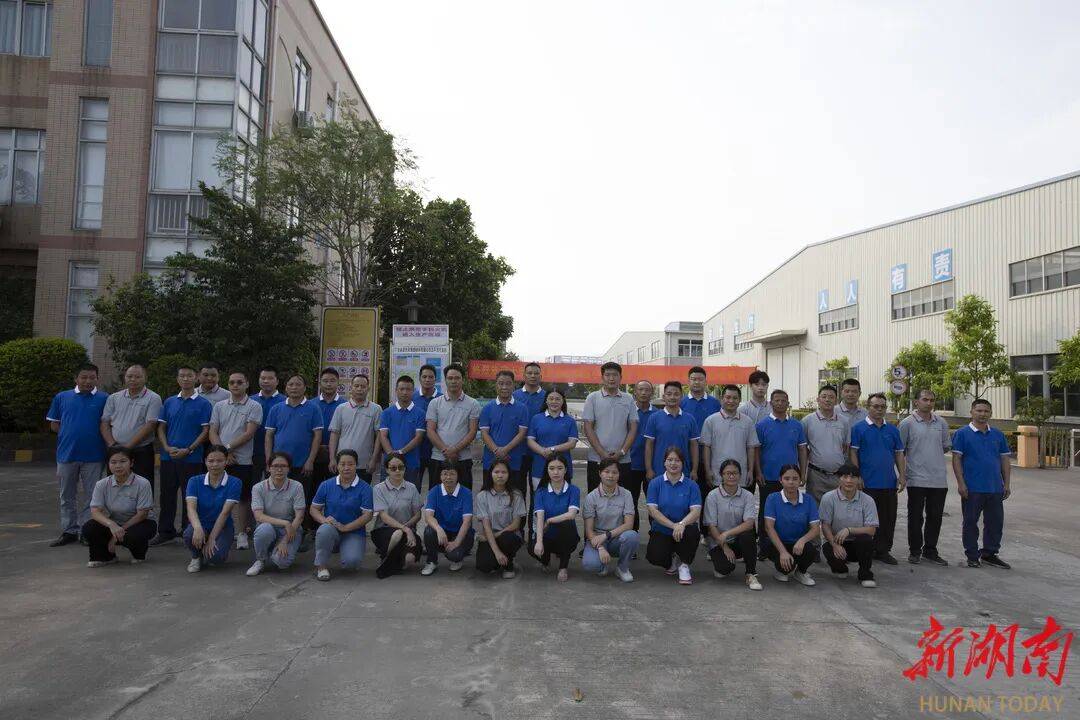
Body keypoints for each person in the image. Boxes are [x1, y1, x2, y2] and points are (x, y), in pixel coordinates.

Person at [46, 363, 107, 547]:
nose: (88, 381)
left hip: (94, 456)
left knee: (93, 496)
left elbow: (107, 424)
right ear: (76, 378)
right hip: (67, 455)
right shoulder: (62, 397)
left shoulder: (105, 398)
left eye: (92, 377)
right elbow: (54, 424)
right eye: (84, 377)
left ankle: (87, 531)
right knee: (66, 495)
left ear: (97, 378)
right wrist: (69, 434)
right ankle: (69, 530)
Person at [951, 399, 1012, 569]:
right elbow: (956, 459)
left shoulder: (997, 435)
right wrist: (961, 483)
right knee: (970, 522)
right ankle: (972, 555)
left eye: (986, 411)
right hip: (972, 488)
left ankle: (989, 554)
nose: (982, 414)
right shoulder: (962, 434)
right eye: (979, 410)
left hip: (994, 487)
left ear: (991, 413)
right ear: (971, 412)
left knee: (995, 523)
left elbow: (1004, 460)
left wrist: (1006, 483)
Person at [264, 374, 323, 551]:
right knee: (277, 500)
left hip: (302, 464)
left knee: (302, 499)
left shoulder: (313, 408)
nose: (294, 387)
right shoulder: (276, 408)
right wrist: (269, 460)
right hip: (279, 466)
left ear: (305, 387)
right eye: (290, 384)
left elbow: (317, 436)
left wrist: (310, 460)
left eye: (298, 384)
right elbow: (269, 435)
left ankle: (301, 532)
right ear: (285, 387)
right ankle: (276, 532)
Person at [154, 366, 212, 547]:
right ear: (177, 379)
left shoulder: (204, 404)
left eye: (189, 376)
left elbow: (205, 431)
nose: (186, 379)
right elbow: (161, 427)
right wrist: (166, 447)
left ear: (196, 378)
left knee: (190, 496)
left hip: (192, 458)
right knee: (167, 495)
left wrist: (189, 449)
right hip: (168, 457)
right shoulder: (169, 402)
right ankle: (165, 531)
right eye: (182, 376)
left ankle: (189, 531)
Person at [207, 372, 263, 551]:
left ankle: (242, 533)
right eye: (232, 382)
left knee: (242, 498)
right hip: (220, 461)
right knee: (217, 495)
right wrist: (222, 454)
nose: (235, 385)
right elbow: (213, 431)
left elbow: (249, 433)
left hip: (242, 460)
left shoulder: (254, 406)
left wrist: (227, 449)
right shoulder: (219, 406)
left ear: (247, 384)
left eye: (239, 382)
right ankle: (219, 532)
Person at [849, 392, 906, 565]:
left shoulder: (893, 430)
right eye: (875, 406)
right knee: (866, 519)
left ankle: (883, 551)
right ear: (868, 407)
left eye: (882, 407)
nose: (879, 409)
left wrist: (902, 475)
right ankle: (865, 550)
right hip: (867, 483)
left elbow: (899, 454)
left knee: (888, 518)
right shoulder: (858, 428)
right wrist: (857, 476)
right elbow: (853, 453)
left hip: (888, 482)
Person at [899, 389, 952, 566]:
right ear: (916, 402)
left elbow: (945, 446)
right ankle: (915, 551)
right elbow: (900, 451)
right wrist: (902, 475)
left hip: (938, 479)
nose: (928, 403)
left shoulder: (941, 422)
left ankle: (930, 550)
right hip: (916, 478)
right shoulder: (907, 423)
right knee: (915, 517)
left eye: (931, 400)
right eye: (925, 399)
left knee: (935, 517)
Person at [753, 389, 807, 556]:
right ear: (771, 403)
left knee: (789, 511)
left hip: (791, 478)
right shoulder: (761, 425)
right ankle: (764, 546)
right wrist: (758, 472)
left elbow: (802, 450)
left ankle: (787, 545)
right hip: (768, 476)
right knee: (766, 512)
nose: (780, 403)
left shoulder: (797, 425)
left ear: (788, 403)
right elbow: (756, 451)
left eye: (783, 400)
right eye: (777, 400)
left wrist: (803, 472)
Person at [82, 446, 157, 567]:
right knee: (89, 528)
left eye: (123, 461)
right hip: (115, 522)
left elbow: (142, 515)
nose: (118, 466)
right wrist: (112, 525)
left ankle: (139, 554)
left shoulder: (143, 483)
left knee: (134, 536)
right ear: (108, 464)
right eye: (113, 462)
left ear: (131, 463)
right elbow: (95, 512)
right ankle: (104, 557)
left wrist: (115, 536)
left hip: (140, 522)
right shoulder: (101, 484)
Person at [310, 449, 374, 581]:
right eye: (342, 464)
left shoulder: (366, 488)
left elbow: (367, 516)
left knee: (352, 564)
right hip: (331, 528)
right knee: (324, 530)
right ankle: (321, 566)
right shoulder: (326, 485)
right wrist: (323, 520)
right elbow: (314, 509)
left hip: (354, 531)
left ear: (356, 465)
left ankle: (343, 548)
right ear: (337, 465)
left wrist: (345, 528)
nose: (346, 468)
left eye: (350, 464)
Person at [100, 364, 162, 492]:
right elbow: (105, 423)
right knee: (114, 487)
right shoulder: (114, 397)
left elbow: (150, 425)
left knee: (143, 486)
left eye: (138, 377)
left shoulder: (153, 398)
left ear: (145, 378)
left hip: (141, 451)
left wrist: (127, 447)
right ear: (125, 377)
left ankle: (144, 506)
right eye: (130, 376)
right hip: (115, 449)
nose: (133, 379)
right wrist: (113, 445)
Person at [645, 446, 702, 585]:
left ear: (683, 463)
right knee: (654, 556)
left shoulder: (692, 485)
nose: (673, 463)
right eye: (670, 460)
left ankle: (684, 564)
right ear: (664, 462)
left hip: (685, 529)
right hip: (662, 529)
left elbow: (696, 511)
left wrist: (681, 524)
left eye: (677, 460)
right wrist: (673, 526)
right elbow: (653, 510)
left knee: (693, 532)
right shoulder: (655, 483)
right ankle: (671, 562)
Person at [703, 459, 762, 591]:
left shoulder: (747, 495)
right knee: (723, 570)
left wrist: (727, 534)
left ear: (740, 475)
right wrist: (724, 546)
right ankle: (722, 559)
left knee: (748, 536)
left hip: (737, 539)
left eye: (735, 473)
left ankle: (751, 573)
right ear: (721, 475)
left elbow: (749, 524)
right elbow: (711, 526)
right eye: (728, 473)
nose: (731, 476)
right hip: (718, 541)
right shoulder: (712, 496)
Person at [819, 463, 879, 588]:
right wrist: (834, 545)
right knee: (828, 549)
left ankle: (865, 574)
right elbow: (825, 525)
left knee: (866, 540)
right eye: (845, 477)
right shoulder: (828, 498)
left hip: (858, 544)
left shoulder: (867, 500)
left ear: (859, 479)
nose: (849, 481)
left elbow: (872, 530)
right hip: (837, 542)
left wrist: (849, 530)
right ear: (839, 478)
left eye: (853, 477)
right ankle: (840, 568)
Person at [183, 445, 241, 573]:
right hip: (201, 524)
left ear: (226, 461)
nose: (215, 464)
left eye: (219, 461)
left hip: (223, 527)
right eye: (211, 461)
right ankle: (196, 556)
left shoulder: (235, 482)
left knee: (216, 558)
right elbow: (191, 509)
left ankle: (210, 548)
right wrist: (197, 528)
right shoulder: (194, 481)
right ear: (205, 461)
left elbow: (225, 513)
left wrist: (212, 539)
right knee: (189, 534)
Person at [246, 450, 306, 575]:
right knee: (264, 530)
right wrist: (284, 523)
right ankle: (260, 560)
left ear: (289, 469)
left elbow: (299, 516)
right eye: (275, 466)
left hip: (291, 529)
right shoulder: (258, 488)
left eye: (283, 466)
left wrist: (284, 541)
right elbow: (258, 516)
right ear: (269, 468)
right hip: (269, 526)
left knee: (282, 562)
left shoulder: (297, 486)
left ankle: (276, 552)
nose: (279, 470)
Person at [582, 362, 637, 493]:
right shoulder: (592, 398)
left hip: (622, 460)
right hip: (597, 459)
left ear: (620, 377)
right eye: (607, 375)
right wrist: (602, 453)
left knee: (622, 497)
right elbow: (588, 427)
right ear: (602, 377)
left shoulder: (628, 398)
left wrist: (622, 452)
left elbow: (633, 428)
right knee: (596, 497)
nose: (611, 378)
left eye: (615, 375)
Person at [582, 457, 638, 582]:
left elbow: (629, 524)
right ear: (600, 473)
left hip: (618, 537)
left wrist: (606, 535)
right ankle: (603, 564)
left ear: (619, 474)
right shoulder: (591, 497)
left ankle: (622, 568)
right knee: (590, 565)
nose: (610, 476)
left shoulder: (626, 494)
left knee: (632, 536)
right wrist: (600, 547)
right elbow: (589, 530)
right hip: (597, 538)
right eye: (606, 472)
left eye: (614, 472)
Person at [763, 464, 820, 586]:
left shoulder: (808, 500)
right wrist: (783, 552)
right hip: (778, 543)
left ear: (800, 480)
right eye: (787, 478)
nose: (791, 482)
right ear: (780, 480)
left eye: (795, 478)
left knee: (811, 550)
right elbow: (769, 527)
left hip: (798, 544)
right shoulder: (772, 498)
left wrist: (802, 540)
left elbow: (815, 529)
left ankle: (801, 572)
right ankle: (781, 570)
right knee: (785, 570)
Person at [426, 363, 481, 490]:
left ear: (463, 380)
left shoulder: (473, 404)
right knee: (437, 495)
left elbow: (472, 431)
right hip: (439, 457)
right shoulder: (435, 403)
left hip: (463, 458)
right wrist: (445, 450)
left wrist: (455, 449)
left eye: (457, 378)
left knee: (463, 494)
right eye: (450, 378)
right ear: (445, 380)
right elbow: (430, 430)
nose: (453, 381)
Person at [370, 452, 424, 578]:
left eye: (401, 467)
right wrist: (405, 529)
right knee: (397, 534)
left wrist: (407, 528)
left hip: (408, 531)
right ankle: (386, 557)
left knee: (409, 559)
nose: (398, 471)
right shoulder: (378, 489)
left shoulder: (412, 487)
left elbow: (418, 514)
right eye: (393, 468)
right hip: (384, 531)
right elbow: (384, 516)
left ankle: (392, 560)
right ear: (387, 470)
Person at [479, 370, 530, 496]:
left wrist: (505, 450)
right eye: (501, 383)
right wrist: (497, 451)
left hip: (514, 461)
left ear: (513, 385)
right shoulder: (487, 408)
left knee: (515, 496)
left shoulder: (522, 408)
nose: (504, 387)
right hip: (491, 461)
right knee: (490, 496)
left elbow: (522, 433)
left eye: (508, 383)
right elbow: (484, 433)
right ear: (496, 385)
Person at [474, 459, 528, 579]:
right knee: (484, 566)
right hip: (490, 535)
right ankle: (499, 560)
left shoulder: (516, 495)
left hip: (509, 535)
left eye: (504, 472)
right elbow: (486, 526)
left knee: (507, 538)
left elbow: (515, 525)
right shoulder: (482, 496)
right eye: (496, 472)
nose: (500, 475)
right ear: (490, 474)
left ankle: (509, 565)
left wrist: (496, 535)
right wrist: (497, 552)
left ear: (509, 475)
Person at [529, 455, 580, 581]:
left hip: (566, 536)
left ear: (566, 470)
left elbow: (571, 514)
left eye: (560, 468)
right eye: (551, 468)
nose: (556, 472)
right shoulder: (540, 491)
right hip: (547, 535)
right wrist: (539, 542)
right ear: (547, 470)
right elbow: (540, 518)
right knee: (532, 548)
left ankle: (563, 567)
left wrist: (550, 520)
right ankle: (547, 559)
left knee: (567, 523)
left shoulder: (574, 490)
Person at [700, 384, 759, 492]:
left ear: (739, 400)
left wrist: (750, 471)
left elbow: (751, 448)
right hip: (717, 475)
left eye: (735, 398)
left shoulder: (748, 422)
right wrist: (708, 470)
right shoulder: (711, 421)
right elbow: (706, 447)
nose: (731, 401)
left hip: (741, 476)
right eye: (728, 397)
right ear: (721, 399)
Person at [421, 462, 475, 576]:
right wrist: (438, 529)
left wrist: (457, 542)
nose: (448, 477)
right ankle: (431, 561)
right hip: (442, 533)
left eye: (452, 474)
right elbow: (428, 516)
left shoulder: (466, 493)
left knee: (455, 555)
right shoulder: (434, 491)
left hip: (460, 533)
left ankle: (457, 558)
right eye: (445, 474)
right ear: (440, 476)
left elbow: (467, 521)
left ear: (458, 475)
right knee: (429, 531)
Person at [328, 374, 383, 483]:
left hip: (364, 464)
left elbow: (379, 436)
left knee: (362, 492)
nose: (359, 389)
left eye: (363, 386)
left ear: (368, 388)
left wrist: (374, 459)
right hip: (343, 463)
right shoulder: (341, 408)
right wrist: (332, 458)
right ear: (351, 387)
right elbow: (334, 434)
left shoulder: (376, 409)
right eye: (356, 386)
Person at [643, 381, 699, 483]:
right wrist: (649, 469)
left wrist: (694, 469)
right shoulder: (654, 418)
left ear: (681, 397)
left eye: (676, 394)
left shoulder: (690, 419)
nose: (672, 397)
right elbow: (649, 445)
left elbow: (694, 446)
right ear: (664, 397)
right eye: (669, 394)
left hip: (684, 471)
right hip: (659, 471)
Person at [801, 385, 850, 501]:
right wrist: (803, 474)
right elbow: (802, 449)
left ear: (836, 400)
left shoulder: (844, 421)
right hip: (816, 475)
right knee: (815, 508)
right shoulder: (807, 421)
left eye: (831, 397)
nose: (827, 400)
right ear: (818, 399)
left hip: (838, 475)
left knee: (838, 507)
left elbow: (846, 447)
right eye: (824, 397)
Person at [379, 375, 428, 491]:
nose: (405, 392)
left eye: (408, 389)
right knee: (386, 496)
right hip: (389, 464)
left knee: (411, 497)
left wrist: (400, 452)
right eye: (401, 389)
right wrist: (392, 456)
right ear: (396, 391)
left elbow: (418, 438)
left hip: (411, 464)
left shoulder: (420, 413)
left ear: (413, 391)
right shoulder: (387, 412)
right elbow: (383, 436)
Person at [526, 386, 579, 492]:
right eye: (551, 398)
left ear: (563, 401)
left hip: (562, 467)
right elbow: (530, 440)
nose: (554, 402)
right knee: (539, 497)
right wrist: (542, 451)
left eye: (558, 399)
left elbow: (572, 443)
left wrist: (552, 449)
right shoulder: (536, 418)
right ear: (546, 401)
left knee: (562, 497)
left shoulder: (570, 421)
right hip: (539, 466)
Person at [681, 365, 721, 492]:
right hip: (686, 455)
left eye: (700, 379)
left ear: (706, 381)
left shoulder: (715, 403)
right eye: (693, 379)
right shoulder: (681, 403)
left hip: (710, 455)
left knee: (708, 491)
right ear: (688, 381)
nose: (697, 382)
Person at [626, 380, 657, 532]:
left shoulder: (657, 414)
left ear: (652, 393)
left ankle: (656, 533)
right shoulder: (628, 412)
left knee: (654, 502)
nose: (644, 393)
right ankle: (632, 533)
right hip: (630, 464)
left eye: (647, 390)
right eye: (640, 389)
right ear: (635, 393)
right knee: (630, 502)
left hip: (652, 467)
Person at [313, 368, 345, 497]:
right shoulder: (311, 404)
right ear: (320, 382)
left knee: (335, 492)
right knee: (314, 492)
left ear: (338, 383)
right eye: (325, 381)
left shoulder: (345, 405)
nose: (328, 384)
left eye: (332, 381)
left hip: (337, 456)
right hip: (314, 455)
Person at [513, 361, 547, 480]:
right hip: (518, 449)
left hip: (540, 449)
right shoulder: (514, 396)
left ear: (541, 377)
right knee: (518, 485)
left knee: (537, 486)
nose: (533, 376)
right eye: (530, 373)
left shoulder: (548, 397)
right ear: (524, 376)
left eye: (536, 373)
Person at [251, 366, 285, 483]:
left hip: (276, 453)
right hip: (252, 451)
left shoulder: (285, 401)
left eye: (270, 378)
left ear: (277, 381)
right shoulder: (250, 400)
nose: (266, 381)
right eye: (263, 378)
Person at [414, 364, 442, 492]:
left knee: (435, 489)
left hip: (436, 450)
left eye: (431, 377)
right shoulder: (412, 398)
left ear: (435, 379)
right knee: (414, 488)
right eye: (424, 376)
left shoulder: (442, 399)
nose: (427, 379)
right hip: (416, 450)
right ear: (419, 378)